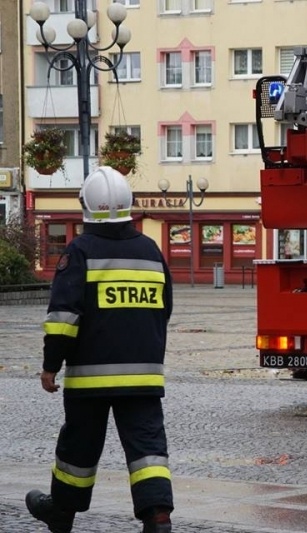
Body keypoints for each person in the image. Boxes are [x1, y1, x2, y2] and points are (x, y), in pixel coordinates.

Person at [26, 167, 174, 533]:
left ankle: (61, 511)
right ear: (129, 206)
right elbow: (164, 308)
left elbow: (63, 317)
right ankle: (158, 515)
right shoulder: (150, 250)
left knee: (79, 446)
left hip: (90, 376)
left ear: (86, 207)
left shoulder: (80, 252)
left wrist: (50, 365)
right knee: (148, 449)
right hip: (142, 373)